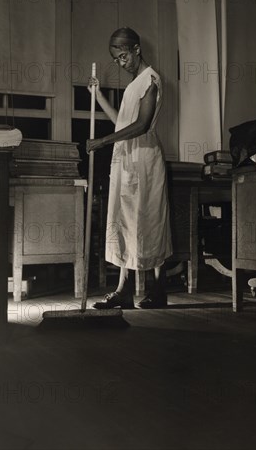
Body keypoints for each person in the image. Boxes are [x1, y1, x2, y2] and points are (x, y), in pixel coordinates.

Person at [87, 27, 173, 309]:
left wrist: (102, 141)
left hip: (145, 160)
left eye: (123, 56)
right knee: (124, 222)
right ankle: (123, 290)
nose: (121, 62)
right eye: (116, 59)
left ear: (136, 49)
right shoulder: (134, 84)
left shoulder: (151, 80)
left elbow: (143, 124)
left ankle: (159, 290)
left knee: (148, 221)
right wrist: (98, 95)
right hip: (126, 160)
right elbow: (122, 124)